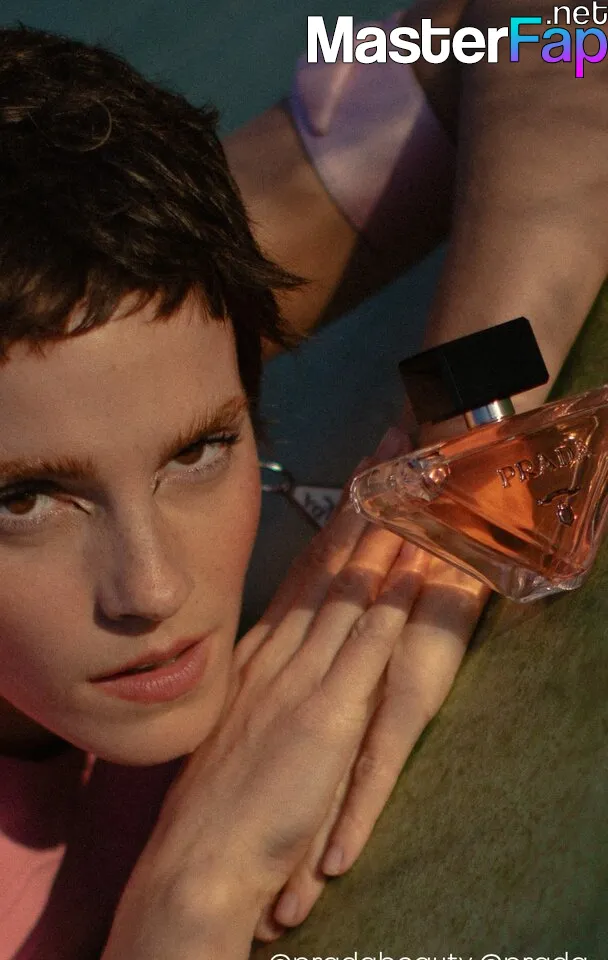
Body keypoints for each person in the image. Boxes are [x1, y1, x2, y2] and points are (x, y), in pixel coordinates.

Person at [0, 3, 602, 958]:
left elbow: (550, 31)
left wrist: (465, 458)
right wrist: (189, 904)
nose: (152, 589)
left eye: (198, 450)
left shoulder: (93, 284)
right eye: (23, 501)